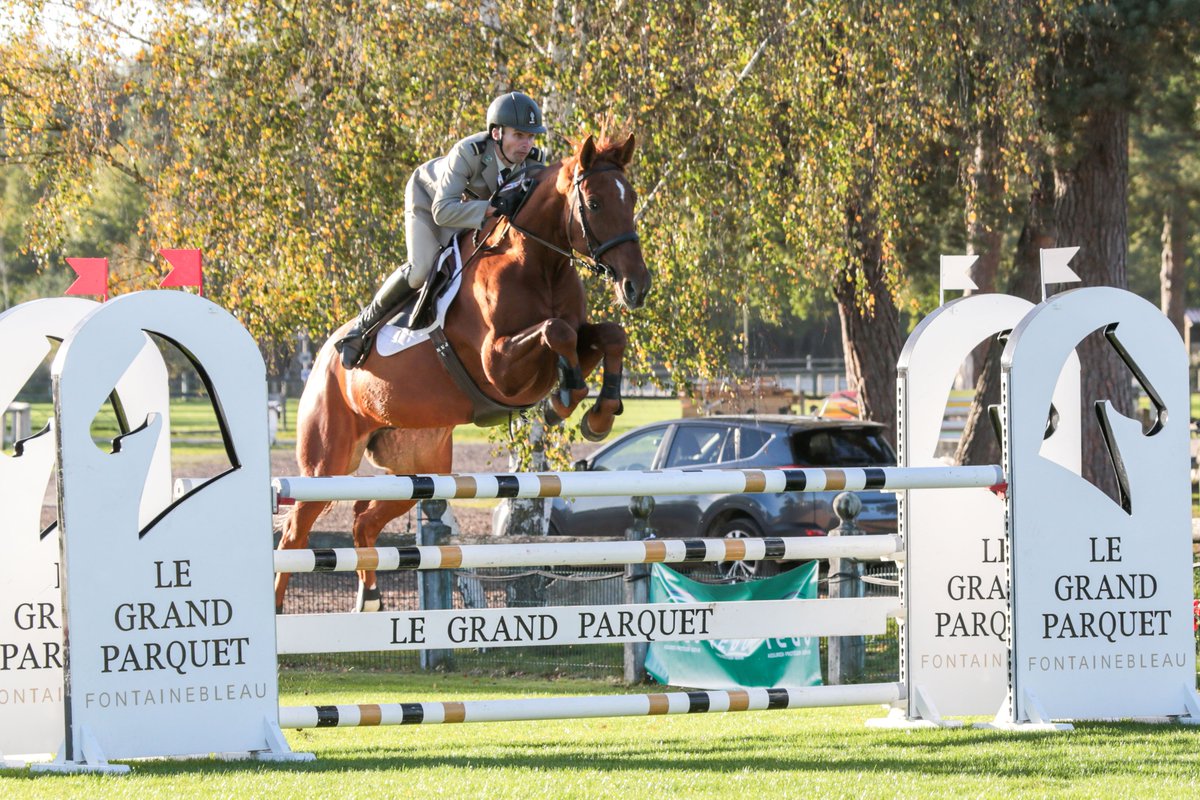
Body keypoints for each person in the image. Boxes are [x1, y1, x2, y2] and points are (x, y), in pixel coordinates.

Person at [336, 91, 548, 368]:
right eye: (519, 135)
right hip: (430, 199)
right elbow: (442, 211)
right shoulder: (468, 153)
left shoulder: (533, 162)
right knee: (421, 269)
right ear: (497, 133)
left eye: (531, 137)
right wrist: (491, 208)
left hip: (474, 213)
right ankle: (360, 330)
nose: (526, 144)